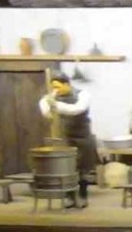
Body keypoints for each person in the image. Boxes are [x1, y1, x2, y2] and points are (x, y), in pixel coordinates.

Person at [39, 71, 97, 208]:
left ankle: (83, 196)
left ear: (67, 84)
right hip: (64, 137)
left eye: (58, 87)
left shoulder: (82, 95)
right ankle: (69, 197)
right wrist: (48, 104)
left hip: (83, 136)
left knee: (83, 170)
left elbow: (77, 109)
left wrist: (56, 106)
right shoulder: (50, 97)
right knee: (66, 169)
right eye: (53, 87)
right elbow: (46, 112)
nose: (55, 90)